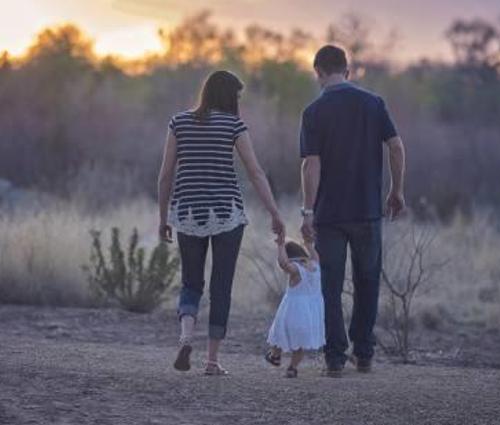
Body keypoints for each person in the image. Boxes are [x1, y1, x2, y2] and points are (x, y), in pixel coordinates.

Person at [157, 70, 285, 376]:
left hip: (187, 212)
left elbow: (165, 175)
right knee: (221, 286)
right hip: (226, 213)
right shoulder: (234, 125)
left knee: (191, 281)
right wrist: (275, 213)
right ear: (229, 96)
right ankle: (212, 361)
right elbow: (255, 172)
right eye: (237, 96)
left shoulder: (179, 122)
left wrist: (163, 218)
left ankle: (187, 337)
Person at [299, 45, 407, 377]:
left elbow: (310, 166)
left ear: (318, 72)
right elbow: (396, 146)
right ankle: (364, 354)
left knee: (329, 286)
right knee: (367, 281)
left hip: (329, 214)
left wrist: (307, 211)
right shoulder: (373, 104)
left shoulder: (314, 111)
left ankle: (334, 358)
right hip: (367, 211)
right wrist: (396, 190)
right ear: (347, 70)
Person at [265, 239, 326, 378]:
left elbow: (283, 264)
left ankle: (275, 355)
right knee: (300, 344)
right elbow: (314, 253)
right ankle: (292, 367)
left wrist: (280, 246)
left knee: (278, 333)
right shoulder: (316, 265)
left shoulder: (296, 270)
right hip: (310, 314)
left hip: (293, 311)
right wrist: (308, 242)